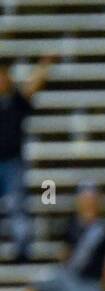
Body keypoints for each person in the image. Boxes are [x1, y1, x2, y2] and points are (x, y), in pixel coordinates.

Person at [20, 183, 105, 291]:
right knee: (35, 288)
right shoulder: (71, 224)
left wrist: (104, 288)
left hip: (90, 283)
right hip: (68, 277)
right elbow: (65, 254)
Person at [0, 55, 54, 262]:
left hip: (13, 162)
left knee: (17, 207)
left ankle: (22, 249)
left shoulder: (16, 101)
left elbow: (32, 87)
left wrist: (44, 65)